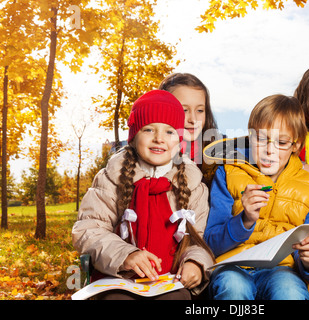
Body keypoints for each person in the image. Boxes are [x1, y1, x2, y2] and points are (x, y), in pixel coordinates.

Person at [72, 90, 214, 300]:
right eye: (149, 129)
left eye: (169, 132)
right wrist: (125, 255)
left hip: (169, 282)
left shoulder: (194, 185)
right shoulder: (111, 179)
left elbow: (198, 240)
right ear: (134, 136)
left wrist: (195, 263)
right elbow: (89, 229)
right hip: (119, 279)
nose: (159, 139)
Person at [203, 94, 309, 300]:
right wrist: (245, 220)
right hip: (232, 267)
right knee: (233, 288)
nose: (269, 150)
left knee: (289, 293)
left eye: (281, 142)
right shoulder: (227, 173)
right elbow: (210, 242)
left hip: (283, 271)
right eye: (261, 139)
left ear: (296, 145)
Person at [159, 73, 223, 185]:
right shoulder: (152, 154)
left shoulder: (220, 155)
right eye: (184, 110)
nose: (193, 119)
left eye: (200, 110)